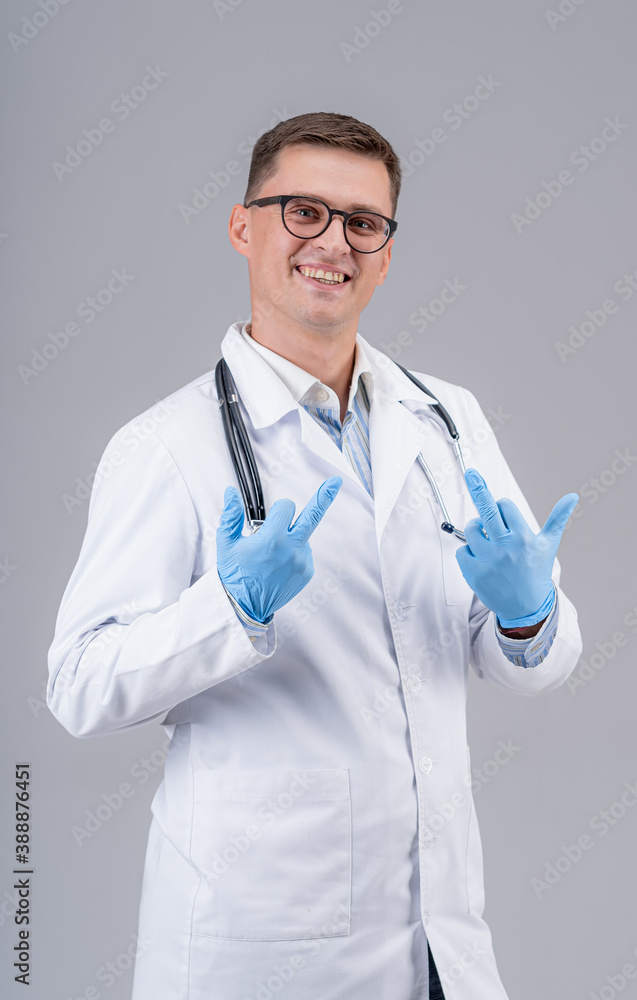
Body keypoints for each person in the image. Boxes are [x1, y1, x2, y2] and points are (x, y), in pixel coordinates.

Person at [47, 111, 582, 1000]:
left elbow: (528, 661)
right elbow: (78, 686)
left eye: (363, 222)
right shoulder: (166, 445)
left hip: (438, 941)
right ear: (243, 225)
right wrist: (231, 608)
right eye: (302, 211)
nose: (332, 242)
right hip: (259, 946)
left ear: (385, 248)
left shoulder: (446, 419)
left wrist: (527, 613)